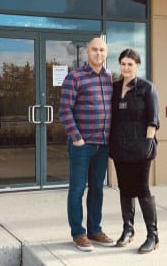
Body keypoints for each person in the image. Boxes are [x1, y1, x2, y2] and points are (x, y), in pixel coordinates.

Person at [58, 37, 115, 251]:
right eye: (94, 50)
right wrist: (77, 138)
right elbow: (65, 110)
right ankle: (78, 233)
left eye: (102, 50)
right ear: (87, 52)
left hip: (103, 144)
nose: (98, 53)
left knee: (97, 190)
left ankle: (95, 230)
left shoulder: (110, 78)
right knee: (78, 189)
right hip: (82, 145)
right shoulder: (75, 78)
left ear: (106, 53)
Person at [109, 48, 160, 253]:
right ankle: (128, 230)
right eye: (123, 64)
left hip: (141, 148)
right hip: (120, 148)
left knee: (142, 190)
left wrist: (148, 144)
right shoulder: (114, 88)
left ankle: (153, 236)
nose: (126, 67)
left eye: (130, 64)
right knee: (125, 189)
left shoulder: (147, 88)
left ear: (137, 65)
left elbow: (153, 120)